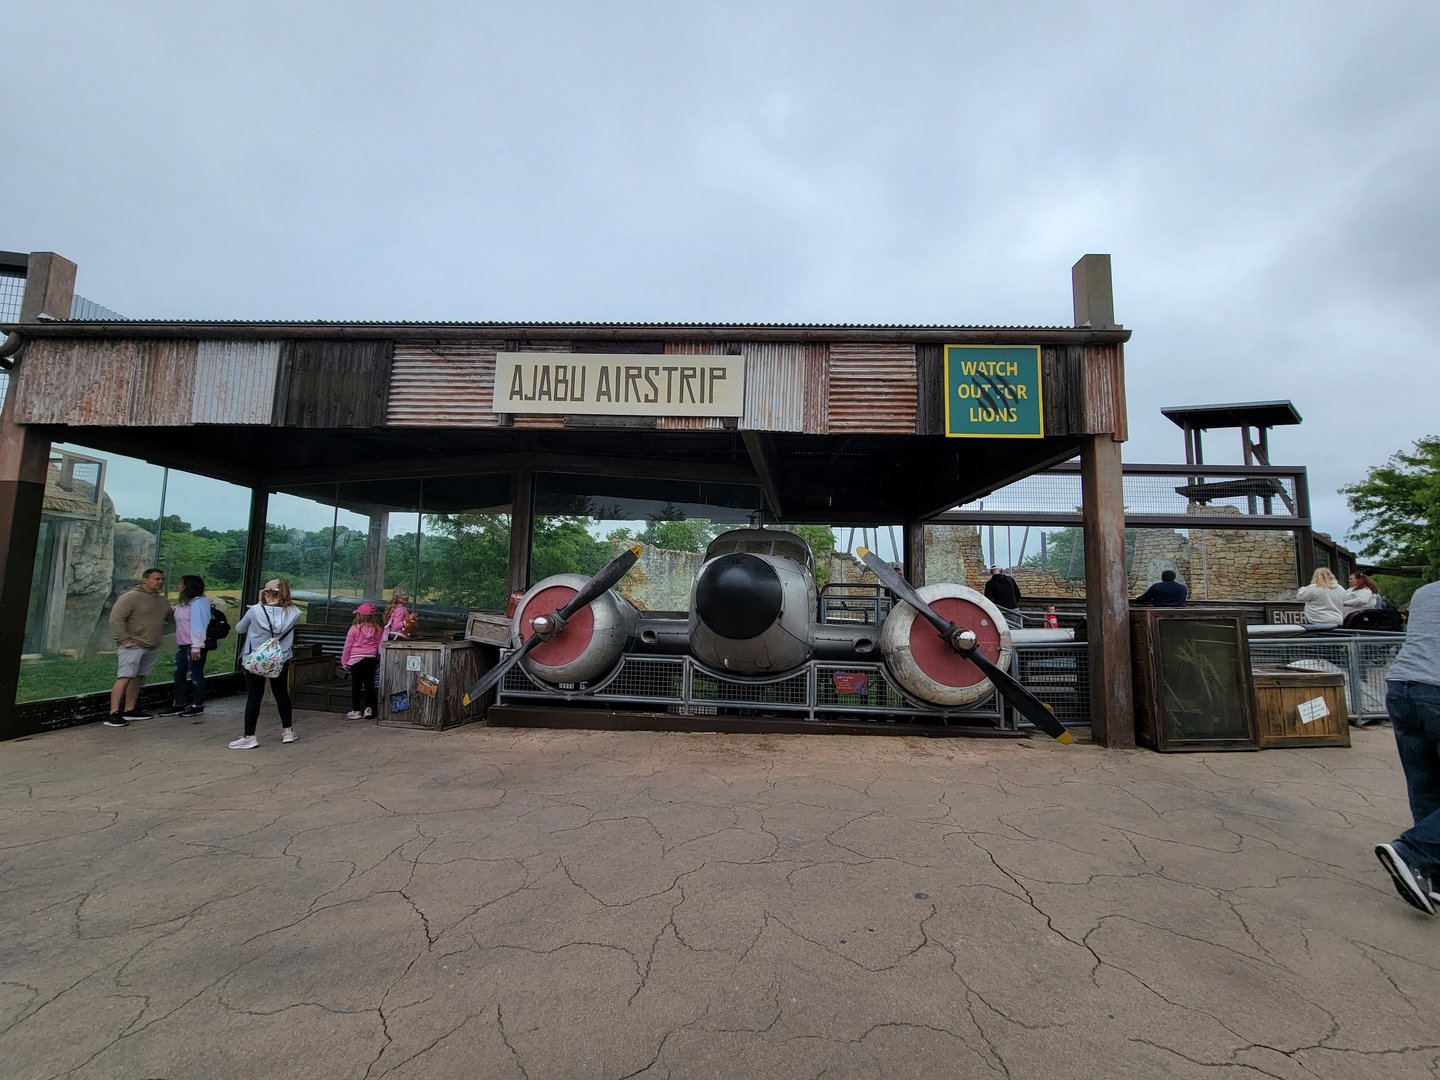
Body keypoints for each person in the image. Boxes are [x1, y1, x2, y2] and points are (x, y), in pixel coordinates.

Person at [1374, 580, 1440, 915]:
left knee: (1426, 784)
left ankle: (1433, 875)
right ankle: (1413, 852)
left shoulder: (1425, 592)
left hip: (1403, 688)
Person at [230, 578, 302, 749]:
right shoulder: (294, 612)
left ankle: (250, 736)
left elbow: (240, 628)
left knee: (255, 695)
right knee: (281, 693)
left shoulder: (255, 611)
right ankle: (288, 732)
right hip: (280, 659)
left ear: (266, 593)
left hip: (255, 658)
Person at [104, 568, 173, 728]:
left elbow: (171, 618)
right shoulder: (130, 597)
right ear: (145, 580)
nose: (160, 582)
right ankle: (113, 713)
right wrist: (124, 639)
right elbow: (116, 618)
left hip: (151, 644)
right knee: (125, 676)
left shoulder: (162, 601)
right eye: (157, 579)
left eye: (162, 579)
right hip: (133, 644)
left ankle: (130, 709)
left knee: (139, 676)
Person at [160, 575, 212, 717]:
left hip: (194, 645)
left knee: (196, 675)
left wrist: (196, 646)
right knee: (179, 674)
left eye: (181, 584)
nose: (179, 586)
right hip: (183, 644)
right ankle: (179, 704)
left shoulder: (199, 603)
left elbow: (198, 625)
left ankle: (198, 704)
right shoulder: (184, 604)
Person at [342, 602, 384, 720]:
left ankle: (356, 711)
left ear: (360, 615)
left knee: (356, 686)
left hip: (356, 660)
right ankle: (368, 709)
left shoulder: (354, 629)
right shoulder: (378, 629)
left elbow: (347, 647)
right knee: (369, 684)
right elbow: (379, 645)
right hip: (371, 659)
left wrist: (344, 661)